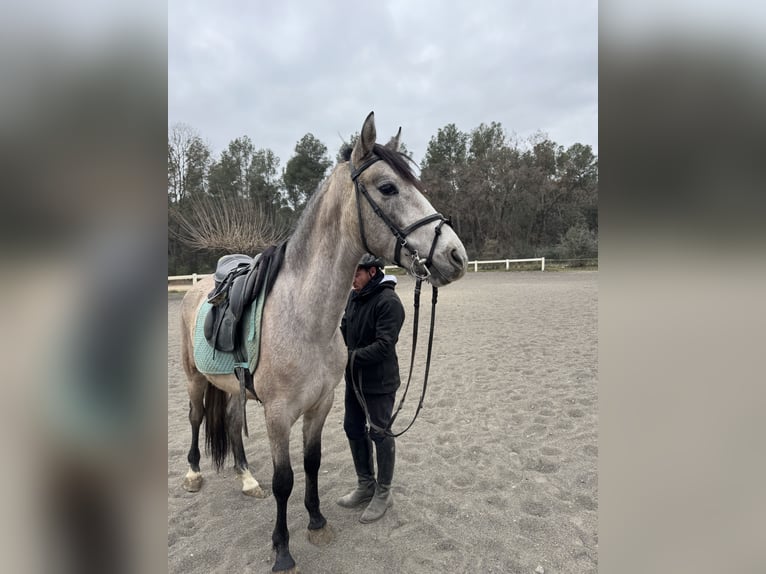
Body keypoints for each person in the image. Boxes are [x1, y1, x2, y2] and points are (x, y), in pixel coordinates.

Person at [338, 254, 405, 523]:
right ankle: (365, 484)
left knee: (380, 432)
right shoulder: (354, 297)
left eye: (357, 273)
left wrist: (347, 357)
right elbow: (344, 329)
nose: (351, 278)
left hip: (379, 381)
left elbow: (384, 345)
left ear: (373, 272)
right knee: (352, 428)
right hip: (354, 379)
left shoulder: (389, 302)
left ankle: (384, 492)